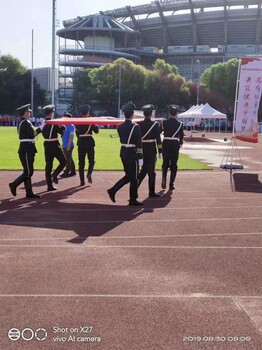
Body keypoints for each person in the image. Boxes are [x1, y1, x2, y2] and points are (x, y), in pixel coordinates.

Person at [107, 102, 143, 206]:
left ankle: (113, 190)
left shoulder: (120, 127)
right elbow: (138, 143)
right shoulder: (135, 127)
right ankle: (132, 199)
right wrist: (140, 157)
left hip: (123, 152)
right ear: (132, 114)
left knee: (129, 176)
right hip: (132, 153)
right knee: (134, 177)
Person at [8, 104, 41, 198]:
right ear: (24, 113)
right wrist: (41, 128)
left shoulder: (22, 122)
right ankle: (14, 184)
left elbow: (29, 135)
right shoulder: (26, 122)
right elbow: (33, 133)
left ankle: (29, 191)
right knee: (29, 172)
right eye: (28, 112)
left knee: (27, 171)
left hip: (27, 147)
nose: (29, 113)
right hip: (26, 148)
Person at [37, 104, 66, 191]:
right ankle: (55, 175)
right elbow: (62, 132)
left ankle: (49, 185)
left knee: (48, 165)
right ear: (51, 113)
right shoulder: (54, 123)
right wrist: (63, 126)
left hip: (46, 144)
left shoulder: (43, 122)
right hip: (54, 144)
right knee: (63, 161)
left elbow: (37, 131)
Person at [137, 104, 162, 197]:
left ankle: (134, 189)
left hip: (142, 149)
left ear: (143, 114)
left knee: (143, 171)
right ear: (151, 114)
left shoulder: (139, 124)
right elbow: (158, 139)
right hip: (151, 149)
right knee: (151, 172)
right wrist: (160, 151)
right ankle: (151, 192)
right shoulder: (155, 125)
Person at [161, 105, 184, 191]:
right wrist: (180, 144)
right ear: (177, 113)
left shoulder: (164, 122)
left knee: (165, 163)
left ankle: (164, 177)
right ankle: (171, 184)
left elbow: (160, 132)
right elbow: (181, 136)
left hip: (166, 143)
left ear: (169, 113)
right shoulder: (180, 124)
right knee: (174, 164)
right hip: (175, 143)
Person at [75, 105, 99, 186]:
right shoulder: (91, 120)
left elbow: (77, 134)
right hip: (89, 141)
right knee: (91, 160)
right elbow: (96, 131)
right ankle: (89, 173)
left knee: (81, 163)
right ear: (88, 112)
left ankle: (82, 181)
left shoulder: (77, 122)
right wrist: (95, 124)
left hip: (81, 142)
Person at [60, 112, 76, 178]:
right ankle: (73, 171)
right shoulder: (65, 126)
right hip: (65, 144)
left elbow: (71, 136)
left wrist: (68, 145)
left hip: (69, 144)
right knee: (69, 158)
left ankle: (67, 171)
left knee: (67, 159)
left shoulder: (71, 126)